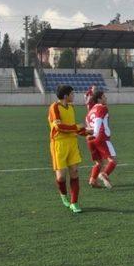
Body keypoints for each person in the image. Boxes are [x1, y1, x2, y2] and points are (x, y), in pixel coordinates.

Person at [47, 85, 91, 213]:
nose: (74, 95)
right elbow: (59, 127)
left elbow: (73, 128)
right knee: (61, 177)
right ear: (66, 96)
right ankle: (63, 195)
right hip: (59, 144)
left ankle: (74, 202)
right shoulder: (54, 107)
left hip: (72, 143)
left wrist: (87, 132)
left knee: (75, 171)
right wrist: (78, 127)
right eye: (72, 94)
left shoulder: (71, 107)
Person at [85, 91, 117, 189]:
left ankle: (93, 180)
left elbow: (88, 126)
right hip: (101, 137)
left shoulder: (89, 113)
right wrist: (96, 133)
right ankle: (104, 174)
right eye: (104, 97)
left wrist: (92, 134)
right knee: (113, 160)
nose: (106, 98)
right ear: (99, 99)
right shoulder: (102, 108)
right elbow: (98, 120)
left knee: (99, 162)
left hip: (90, 139)